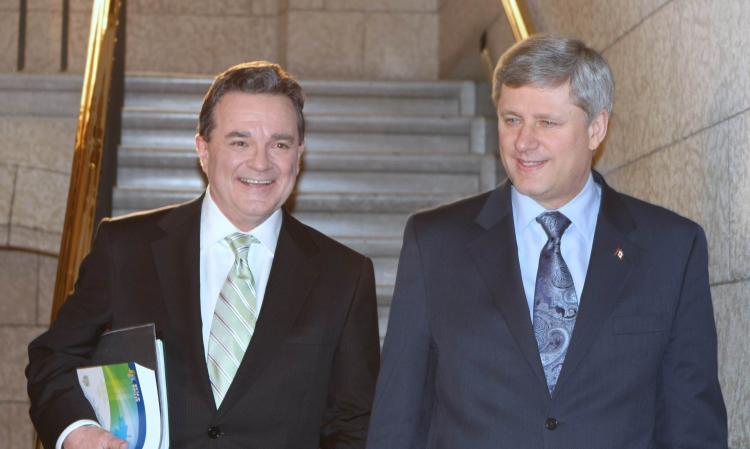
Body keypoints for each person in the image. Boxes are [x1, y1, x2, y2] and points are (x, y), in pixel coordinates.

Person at [365, 35, 727, 449]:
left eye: (547, 123)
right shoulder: (434, 244)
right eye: (512, 119)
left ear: (596, 128)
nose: (524, 142)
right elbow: (398, 416)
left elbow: (692, 425)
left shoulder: (671, 249)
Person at [27, 61, 380, 449]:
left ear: (299, 154)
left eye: (279, 143)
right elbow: (52, 358)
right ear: (203, 150)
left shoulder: (345, 275)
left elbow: (354, 423)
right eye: (239, 141)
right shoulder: (126, 248)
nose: (260, 162)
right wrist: (78, 431)